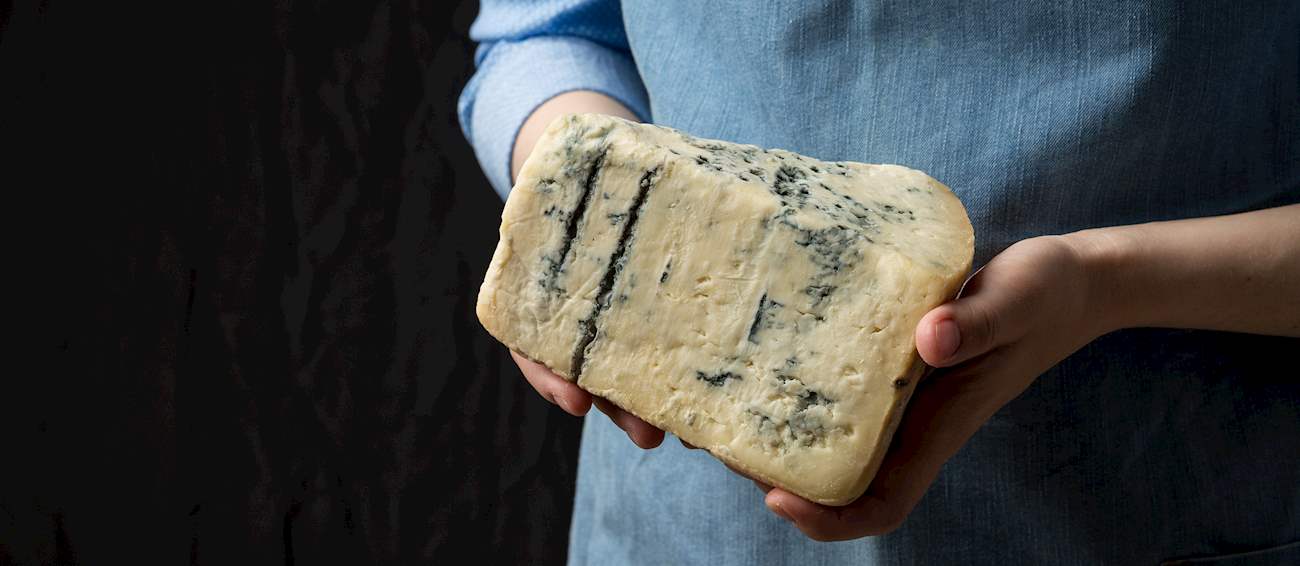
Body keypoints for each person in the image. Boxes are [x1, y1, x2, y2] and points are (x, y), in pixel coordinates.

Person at [458, 1, 1300, 563]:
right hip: (690, 520)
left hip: (1138, 501)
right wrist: (588, 212)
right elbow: (542, 33)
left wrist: (1105, 283)